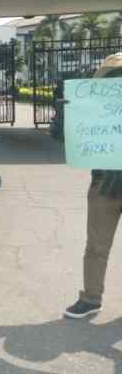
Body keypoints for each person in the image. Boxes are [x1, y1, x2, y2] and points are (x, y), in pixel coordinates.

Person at [64, 53, 122, 319]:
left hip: (104, 184)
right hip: (103, 185)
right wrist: (65, 115)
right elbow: (61, 138)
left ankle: (90, 298)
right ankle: (91, 298)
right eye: (112, 76)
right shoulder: (90, 106)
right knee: (97, 246)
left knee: (96, 246)